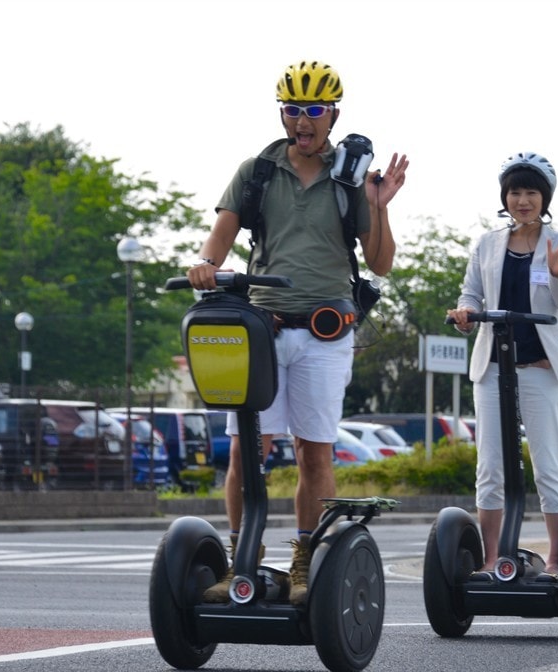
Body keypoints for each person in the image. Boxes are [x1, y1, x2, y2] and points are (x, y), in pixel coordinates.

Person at [187, 60, 408, 605]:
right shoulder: (257, 171)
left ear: (333, 114)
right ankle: (242, 560)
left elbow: (380, 264)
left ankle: (306, 564)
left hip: (325, 331)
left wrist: (378, 208)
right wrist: (204, 265)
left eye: (313, 110)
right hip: (261, 326)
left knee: (315, 452)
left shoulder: (351, 179)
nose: (302, 120)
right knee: (247, 450)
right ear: (281, 113)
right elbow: (219, 237)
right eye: (293, 109)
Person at [447, 152, 558, 582]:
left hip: (540, 368)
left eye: (531, 193)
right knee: (490, 467)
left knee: (548, 466)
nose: (523, 200)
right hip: (492, 367)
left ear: (545, 198)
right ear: (505, 197)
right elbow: (471, 294)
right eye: (515, 192)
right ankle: (492, 559)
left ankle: (557, 560)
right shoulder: (487, 243)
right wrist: (465, 312)